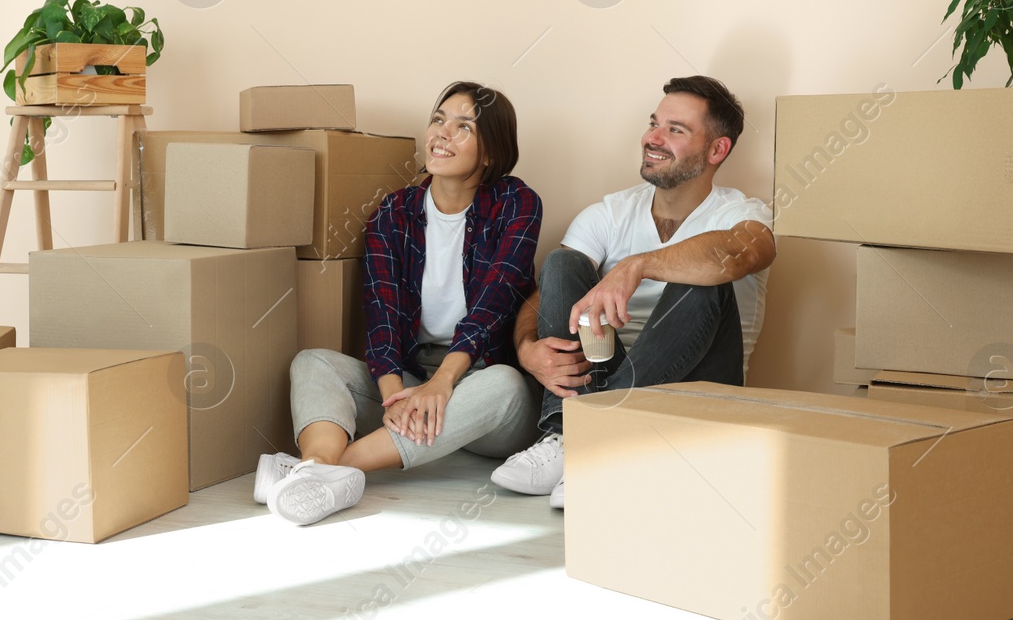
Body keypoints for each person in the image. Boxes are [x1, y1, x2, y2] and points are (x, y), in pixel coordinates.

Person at [257, 81, 543, 525]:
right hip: (411, 382)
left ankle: (325, 471)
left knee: (506, 383)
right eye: (438, 119)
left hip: (478, 388)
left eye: (463, 126)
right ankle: (316, 465)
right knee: (313, 362)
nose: (441, 133)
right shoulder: (393, 213)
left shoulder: (517, 203)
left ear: (489, 153)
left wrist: (444, 381)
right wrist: (394, 395)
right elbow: (381, 317)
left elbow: (494, 305)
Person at [491, 75, 776, 507]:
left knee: (706, 276)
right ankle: (573, 439)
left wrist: (637, 265)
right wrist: (527, 347)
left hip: (697, 390)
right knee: (562, 263)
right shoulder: (610, 212)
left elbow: (738, 255)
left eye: (675, 130)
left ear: (717, 149)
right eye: (653, 123)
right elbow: (547, 291)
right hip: (606, 373)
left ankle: (593, 436)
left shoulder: (744, 213)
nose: (652, 138)